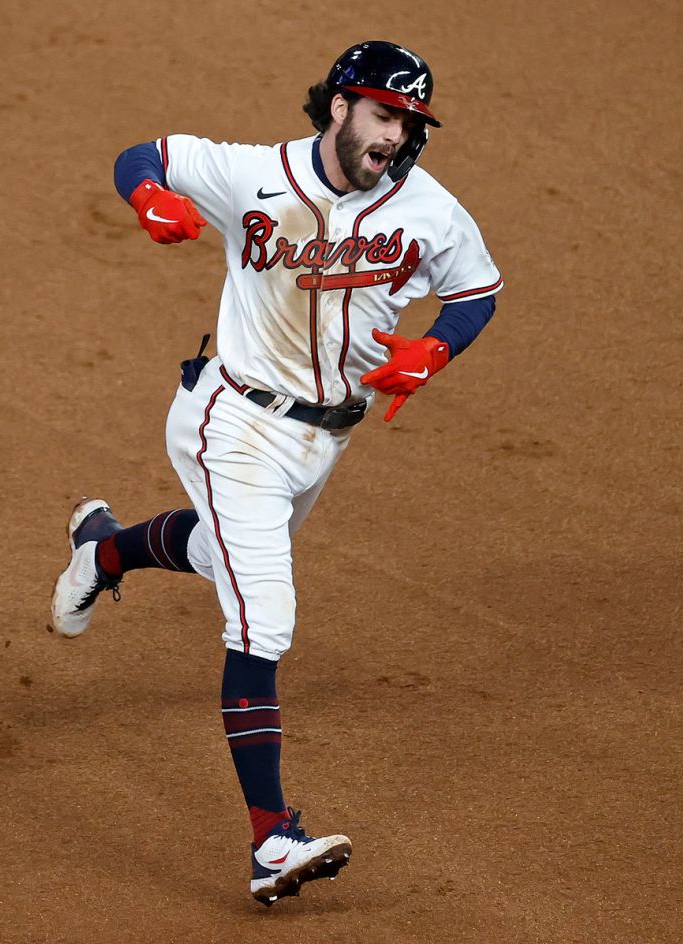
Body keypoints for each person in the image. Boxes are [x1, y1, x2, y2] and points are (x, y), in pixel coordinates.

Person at [51, 40, 503, 906]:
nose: (396, 137)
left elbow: (477, 288)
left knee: (229, 558)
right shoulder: (253, 176)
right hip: (233, 422)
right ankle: (271, 842)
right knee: (264, 620)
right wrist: (148, 198)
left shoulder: (431, 210)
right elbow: (142, 157)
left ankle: (103, 551)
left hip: (322, 444)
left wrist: (437, 349)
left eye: (411, 123)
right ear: (338, 106)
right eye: (383, 115)